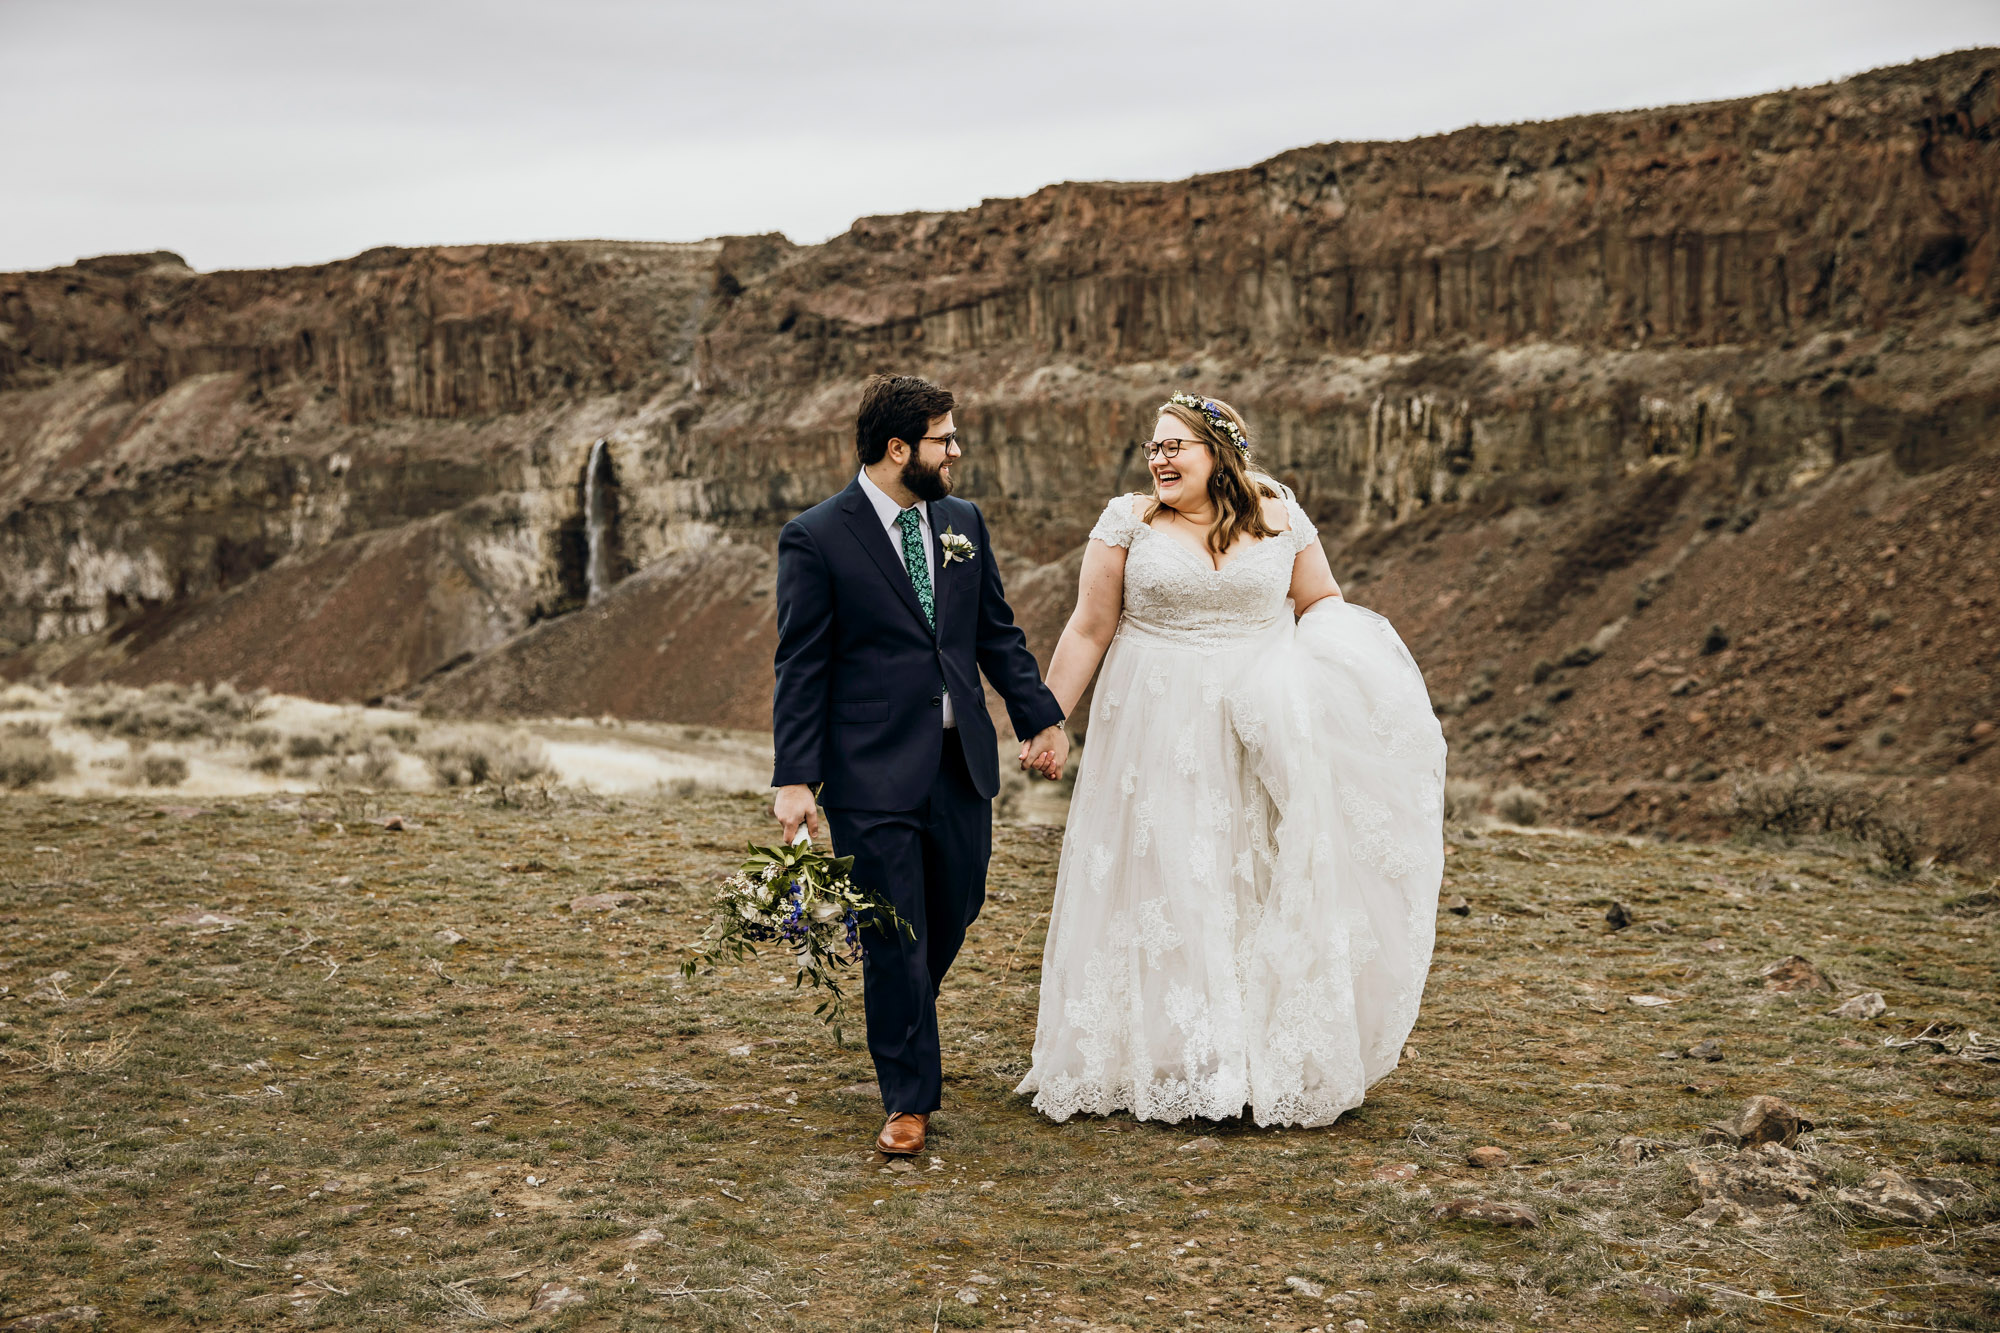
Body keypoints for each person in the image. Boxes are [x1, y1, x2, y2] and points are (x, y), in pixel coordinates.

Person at [1015, 393, 1446, 1126]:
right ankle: (1174, 1057)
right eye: (1153, 446)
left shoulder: (1280, 513)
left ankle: (1253, 1056)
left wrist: (1330, 698)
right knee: (1172, 876)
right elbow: (1089, 627)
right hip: (1155, 727)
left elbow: (1322, 605)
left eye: (1175, 444)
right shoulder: (1127, 522)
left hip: (1257, 726)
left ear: (1220, 452)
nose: (1159, 458)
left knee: (1253, 873)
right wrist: (1047, 718)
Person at [771, 374, 1068, 1156]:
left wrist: (1041, 717)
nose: (957, 451)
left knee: (957, 900)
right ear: (899, 448)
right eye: (945, 438)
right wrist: (795, 778)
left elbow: (995, 634)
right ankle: (908, 1095)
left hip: (957, 758)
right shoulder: (817, 536)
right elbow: (800, 664)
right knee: (893, 927)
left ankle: (898, 1008)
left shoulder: (961, 520)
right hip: (867, 768)